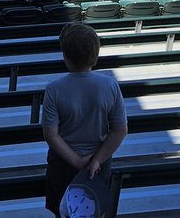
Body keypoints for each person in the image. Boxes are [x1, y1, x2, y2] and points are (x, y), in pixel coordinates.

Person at [40, 24, 127, 216]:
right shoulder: (110, 86)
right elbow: (119, 130)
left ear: (66, 57)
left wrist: (77, 162)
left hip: (62, 165)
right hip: (99, 165)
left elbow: (51, 135)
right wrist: (96, 161)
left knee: (63, 211)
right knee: (95, 211)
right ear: (95, 56)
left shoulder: (54, 90)